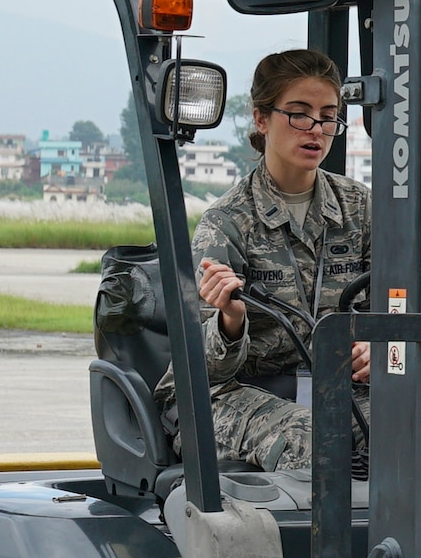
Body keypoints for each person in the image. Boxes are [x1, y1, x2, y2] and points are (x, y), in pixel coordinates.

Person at [154, 47, 371, 472]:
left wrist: (377, 344)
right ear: (260, 118)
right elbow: (202, 364)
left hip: (330, 385)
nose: (316, 129)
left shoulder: (359, 209)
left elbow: (398, 295)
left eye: (328, 116)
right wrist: (231, 320)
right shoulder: (227, 223)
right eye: (299, 113)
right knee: (313, 438)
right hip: (231, 390)